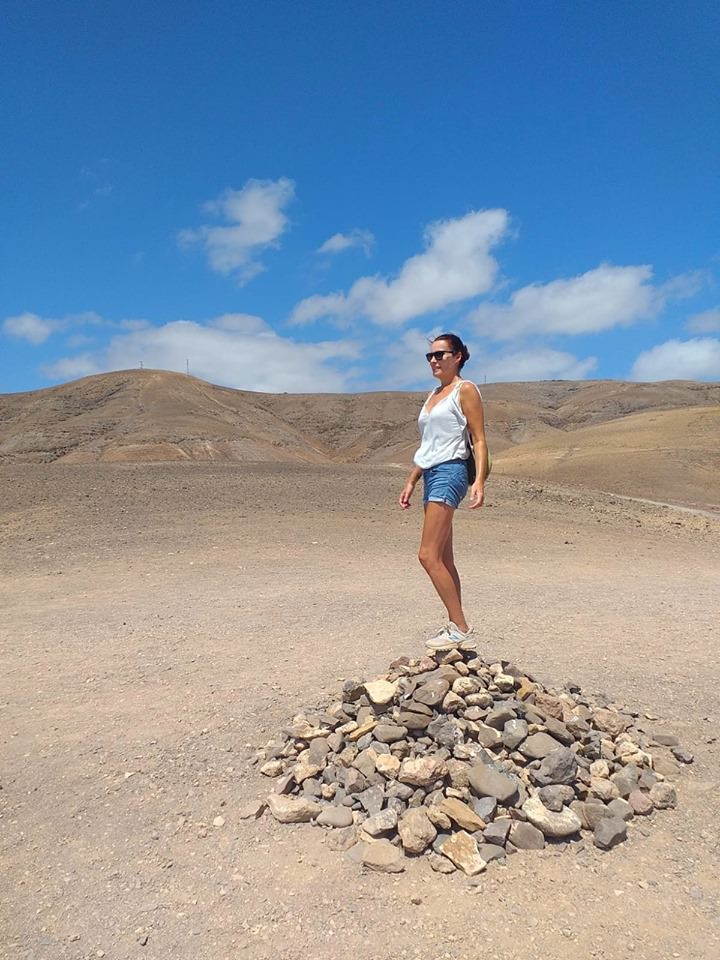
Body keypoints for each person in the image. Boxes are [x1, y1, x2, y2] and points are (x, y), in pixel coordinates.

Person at [399, 333, 489, 651]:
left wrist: (479, 480)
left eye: (441, 355)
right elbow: (429, 445)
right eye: (430, 356)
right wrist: (412, 480)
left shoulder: (465, 391)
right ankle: (456, 624)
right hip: (431, 472)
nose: (434, 360)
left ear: (459, 356)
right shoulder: (433, 395)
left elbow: (478, 439)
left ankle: (460, 627)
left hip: (451, 471)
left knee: (427, 555)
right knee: (444, 558)